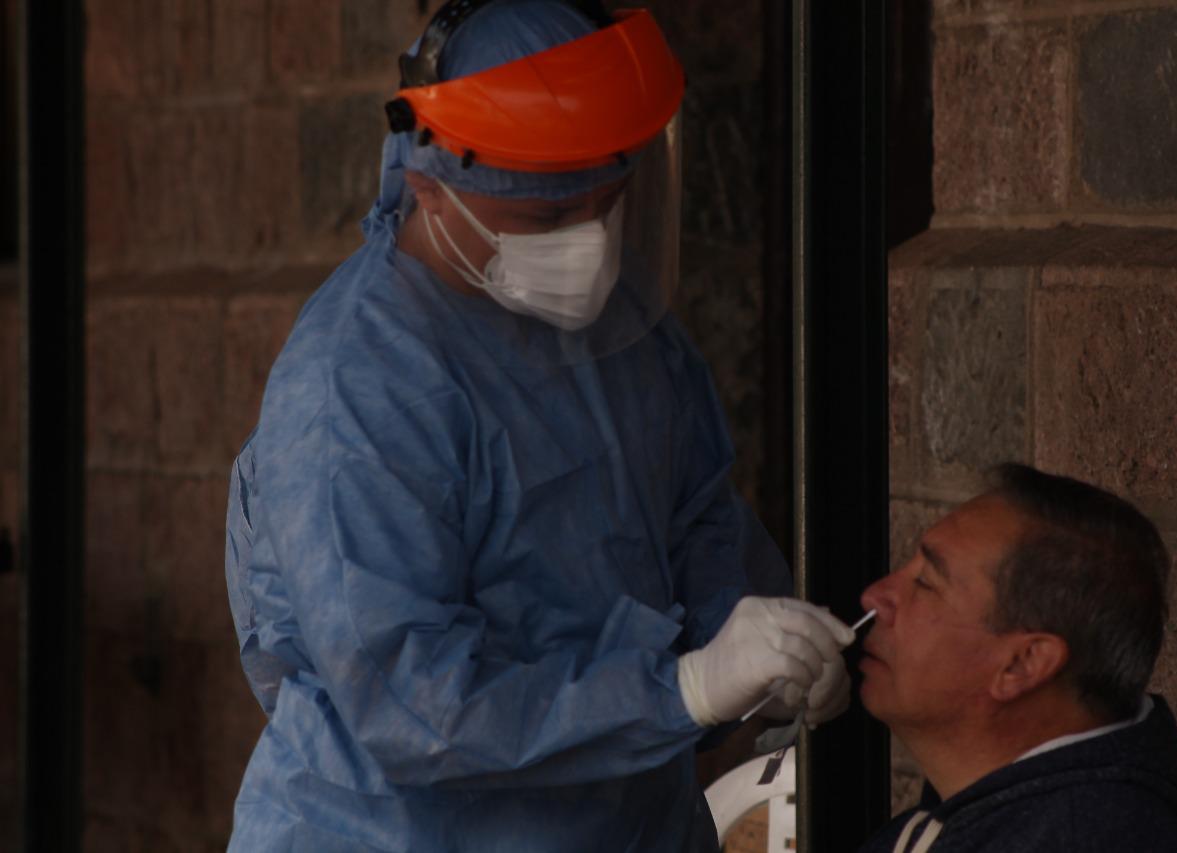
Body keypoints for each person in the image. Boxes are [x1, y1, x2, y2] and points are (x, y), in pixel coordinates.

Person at [223, 1, 854, 850]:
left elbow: (697, 523)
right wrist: (685, 689)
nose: (588, 243)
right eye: (547, 219)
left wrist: (764, 656)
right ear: (429, 186)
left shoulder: (627, 339)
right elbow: (411, 701)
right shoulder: (359, 383)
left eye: (608, 203)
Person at [856, 464, 1177, 853]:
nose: (876, 597)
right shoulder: (999, 811)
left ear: (1023, 663)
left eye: (926, 582)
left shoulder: (1082, 838)